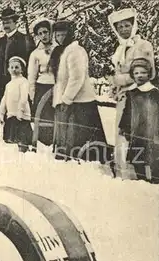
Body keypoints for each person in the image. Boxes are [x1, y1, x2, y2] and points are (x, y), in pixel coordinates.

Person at [48, 20, 108, 162]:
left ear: (70, 34)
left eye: (64, 34)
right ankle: (68, 160)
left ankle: (88, 163)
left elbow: (77, 78)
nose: (61, 37)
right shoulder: (62, 51)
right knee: (68, 134)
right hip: (68, 100)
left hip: (80, 102)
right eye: (58, 35)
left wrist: (66, 98)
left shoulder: (76, 51)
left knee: (81, 135)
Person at [107, 8, 155, 179]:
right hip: (124, 97)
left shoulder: (143, 46)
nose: (123, 30)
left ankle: (139, 174)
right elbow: (118, 72)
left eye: (127, 25)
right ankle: (122, 171)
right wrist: (115, 85)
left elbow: (148, 72)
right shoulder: (120, 48)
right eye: (120, 27)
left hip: (139, 97)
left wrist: (121, 80)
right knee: (120, 132)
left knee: (136, 134)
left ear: (133, 26)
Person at [0, 7, 35, 141]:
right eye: (3, 23)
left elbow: (31, 63)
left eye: (8, 22)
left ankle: (23, 141)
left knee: (20, 113)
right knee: (5, 113)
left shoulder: (25, 40)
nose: (6, 25)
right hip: (3, 85)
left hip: (20, 85)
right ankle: (7, 140)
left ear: (15, 22)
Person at [119, 58, 159, 184]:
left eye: (143, 72)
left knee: (153, 157)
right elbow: (127, 112)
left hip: (152, 131)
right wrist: (123, 127)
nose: (140, 76)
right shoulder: (132, 93)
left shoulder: (155, 93)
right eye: (136, 73)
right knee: (137, 156)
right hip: (136, 131)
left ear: (149, 74)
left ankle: (155, 180)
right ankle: (141, 180)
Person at [27, 18, 55, 145]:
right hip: (42, 88)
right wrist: (33, 95)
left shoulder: (59, 49)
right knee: (44, 119)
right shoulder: (35, 54)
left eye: (46, 32)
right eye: (40, 33)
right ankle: (44, 145)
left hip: (58, 87)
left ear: (51, 32)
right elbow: (31, 76)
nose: (43, 36)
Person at [0, 56, 33, 152]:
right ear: (8, 69)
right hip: (12, 114)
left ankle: (25, 152)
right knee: (13, 137)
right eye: (12, 67)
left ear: (22, 69)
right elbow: (4, 99)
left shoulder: (23, 82)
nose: (14, 69)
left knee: (22, 137)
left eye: (17, 67)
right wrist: (1, 113)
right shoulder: (8, 84)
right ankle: (17, 156)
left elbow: (24, 98)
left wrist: (20, 110)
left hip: (21, 115)